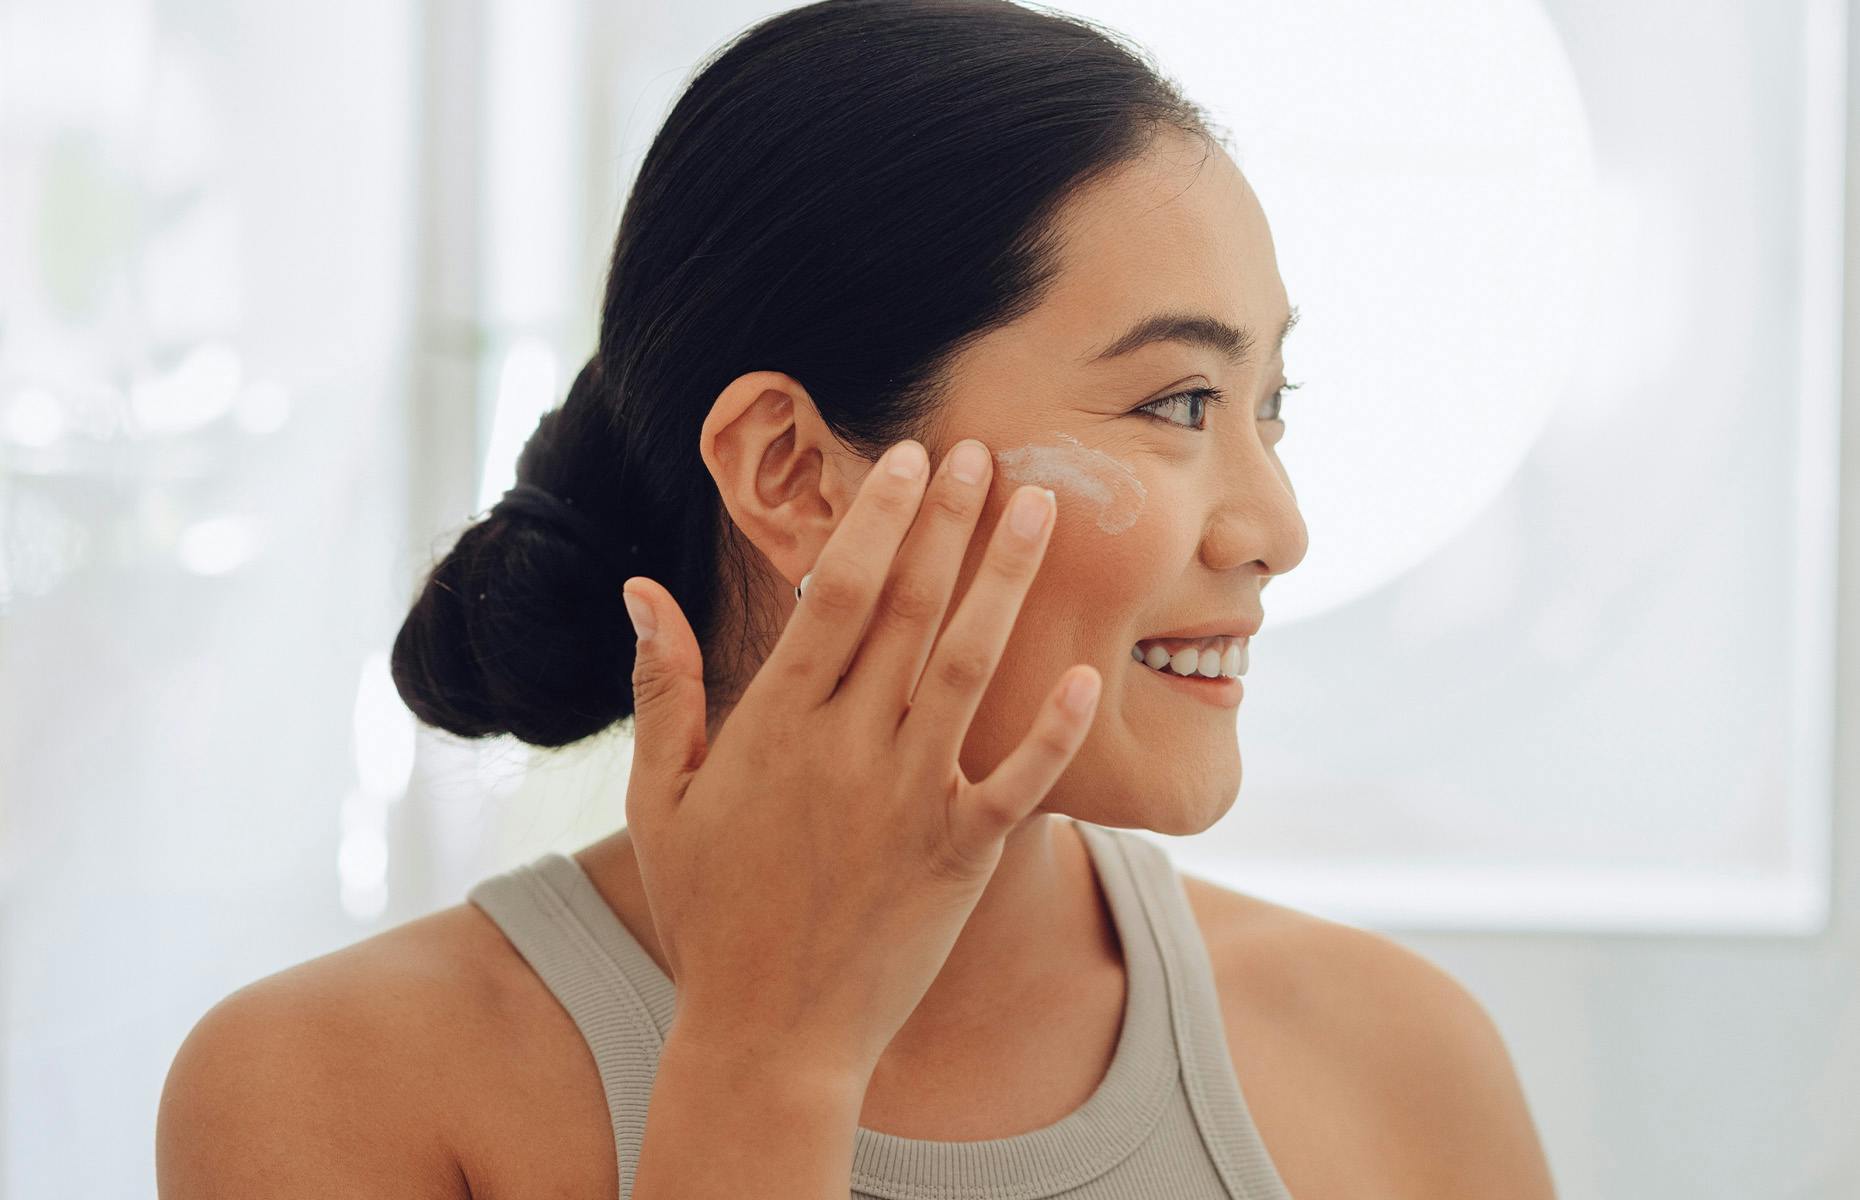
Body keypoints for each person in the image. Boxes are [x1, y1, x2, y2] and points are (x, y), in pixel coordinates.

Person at [156, 1, 1558, 1197]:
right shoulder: (333, 1091)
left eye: (1271, 406)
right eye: (1178, 402)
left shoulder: (1397, 1065)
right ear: (794, 473)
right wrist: (767, 1064)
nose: (1278, 530)